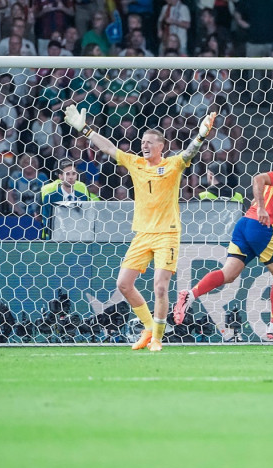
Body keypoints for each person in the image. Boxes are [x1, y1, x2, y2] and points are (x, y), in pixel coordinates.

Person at [63, 104, 216, 352]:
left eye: (149, 143)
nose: (144, 145)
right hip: (143, 234)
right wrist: (85, 130)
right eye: (143, 142)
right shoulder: (135, 163)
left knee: (160, 286)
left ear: (161, 147)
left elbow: (188, 154)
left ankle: (157, 337)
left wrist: (199, 136)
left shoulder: (173, 165)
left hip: (167, 233)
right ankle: (147, 328)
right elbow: (110, 148)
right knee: (123, 284)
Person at [173, 144, 273, 344]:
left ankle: (190, 295)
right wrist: (262, 209)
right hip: (259, 225)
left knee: (228, 275)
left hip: (245, 224)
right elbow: (258, 178)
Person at [40, 160, 96, 239]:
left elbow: (87, 221)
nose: (71, 177)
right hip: (56, 240)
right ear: (60, 176)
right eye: (67, 174)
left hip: (78, 238)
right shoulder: (50, 197)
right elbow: (46, 222)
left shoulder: (83, 197)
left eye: (73, 174)